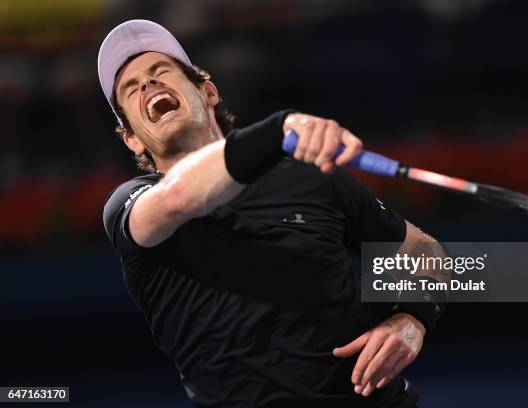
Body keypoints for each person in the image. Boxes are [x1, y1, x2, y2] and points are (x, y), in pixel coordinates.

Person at [99, 20, 444, 408]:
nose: (147, 85)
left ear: (207, 91)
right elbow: (179, 195)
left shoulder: (309, 177)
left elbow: (423, 249)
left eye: (160, 71)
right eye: (131, 88)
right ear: (131, 137)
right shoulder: (131, 205)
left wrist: (413, 317)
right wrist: (279, 127)